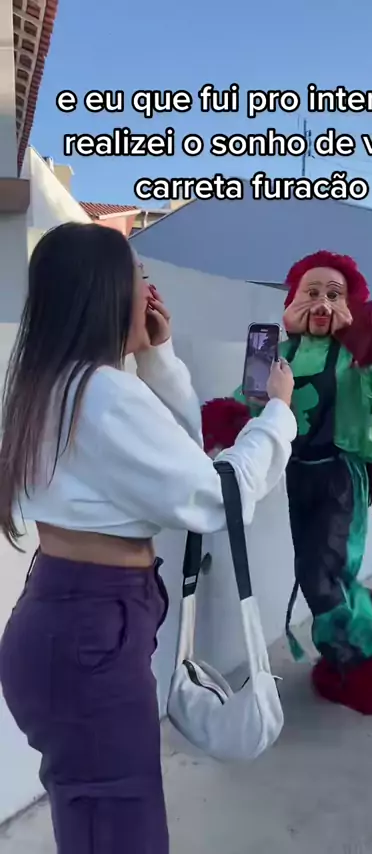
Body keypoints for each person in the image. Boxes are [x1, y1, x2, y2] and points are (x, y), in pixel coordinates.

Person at [0, 222, 296, 854]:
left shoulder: (47, 384)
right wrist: (277, 415)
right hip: (90, 630)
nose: (149, 289)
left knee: (98, 822)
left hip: (65, 619)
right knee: (119, 830)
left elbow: (176, 466)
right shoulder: (104, 393)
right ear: (106, 292)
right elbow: (214, 497)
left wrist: (158, 359)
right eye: (138, 275)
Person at [201, 250, 372, 716]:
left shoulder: (356, 354)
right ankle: (343, 655)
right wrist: (216, 429)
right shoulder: (278, 355)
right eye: (312, 292)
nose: (322, 304)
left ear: (350, 305)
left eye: (334, 295)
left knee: (321, 575)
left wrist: (368, 348)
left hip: (341, 476)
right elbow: (248, 405)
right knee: (318, 573)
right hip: (299, 473)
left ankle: (365, 650)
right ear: (292, 301)